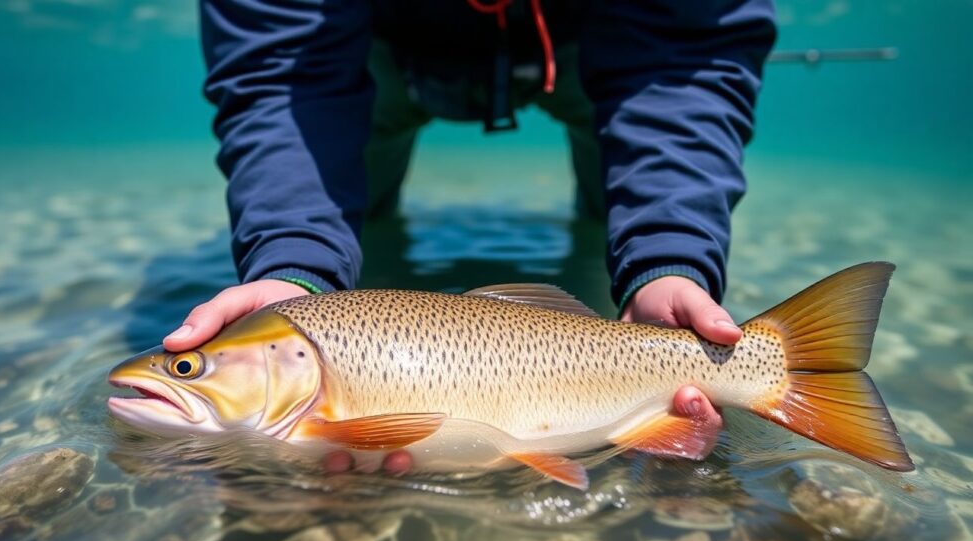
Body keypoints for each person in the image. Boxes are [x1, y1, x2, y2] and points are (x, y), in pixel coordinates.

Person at [164, 0, 777, 475]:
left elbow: (686, 54)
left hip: (598, 43)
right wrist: (291, 266)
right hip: (364, 51)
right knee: (337, 232)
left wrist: (669, 258)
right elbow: (281, 73)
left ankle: (657, 302)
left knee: (631, 237)